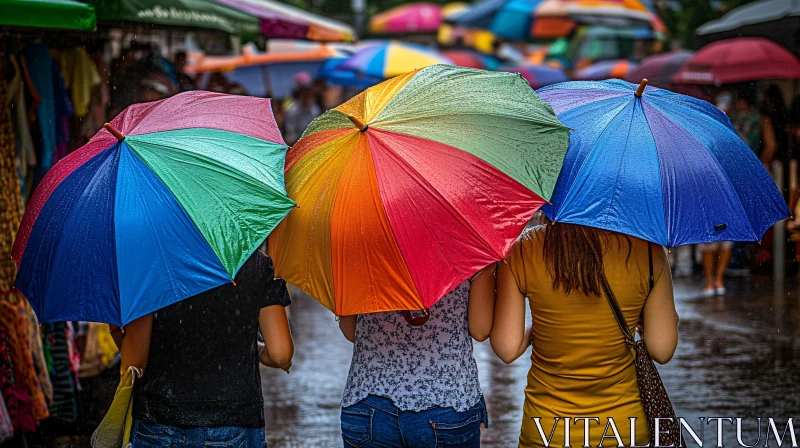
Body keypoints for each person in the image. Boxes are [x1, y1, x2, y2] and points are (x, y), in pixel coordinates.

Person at [487, 222, 679, 447]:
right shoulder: (649, 251)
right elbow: (662, 350)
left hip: (547, 429)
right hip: (623, 427)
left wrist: (540, 327)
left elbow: (506, 349)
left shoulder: (523, 249)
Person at [111, 248, 293, 447]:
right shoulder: (253, 261)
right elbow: (280, 354)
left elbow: (133, 363)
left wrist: (117, 332)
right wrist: (256, 349)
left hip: (158, 422)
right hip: (233, 420)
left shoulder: (152, 260)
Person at [337, 269, 495, 447]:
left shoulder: (358, 252)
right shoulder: (469, 250)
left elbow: (351, 332)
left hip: (368, 402)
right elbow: (480, 331)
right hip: (447, 401)